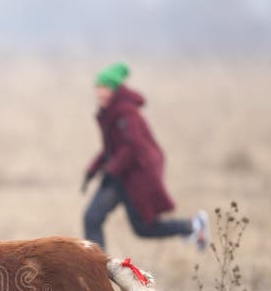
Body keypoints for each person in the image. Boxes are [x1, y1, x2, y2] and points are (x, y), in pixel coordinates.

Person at [82, 62, 208, 251]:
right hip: (122, 173)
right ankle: (192, 226)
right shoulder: (111, 112)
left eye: (104, 88)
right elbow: (111, 149)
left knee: (140, 227)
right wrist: (92, 170)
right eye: (98, 88)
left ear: (115, 89)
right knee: (95, 218)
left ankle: (193, 226)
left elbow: (133, 147)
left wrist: (110, 169)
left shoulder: (126, 113)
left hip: (135, 176)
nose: (99, 92)